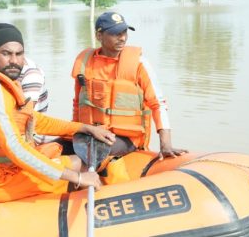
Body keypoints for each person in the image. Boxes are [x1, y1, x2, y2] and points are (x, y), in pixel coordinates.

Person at [0, 25, 115, 203]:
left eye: (19, 54)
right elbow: (15, 148)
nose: (14, 60)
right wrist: (78, 178)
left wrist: (84, 127)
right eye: (6, 54)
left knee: (68, 155)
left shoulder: (4, 83)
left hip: (8, 168)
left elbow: (35, 120)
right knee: (82, 166)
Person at [71, 12, 186, 161]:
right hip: (90, 132)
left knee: (90, 153)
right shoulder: (84, 64)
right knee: (57, 147)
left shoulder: (139, 63)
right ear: (99, 36)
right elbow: (77, 104)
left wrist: (166, 145)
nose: (122, 38)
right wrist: (73, 131)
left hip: (125, 138)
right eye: (115, 33)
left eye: (124, 32)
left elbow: (158, 104)